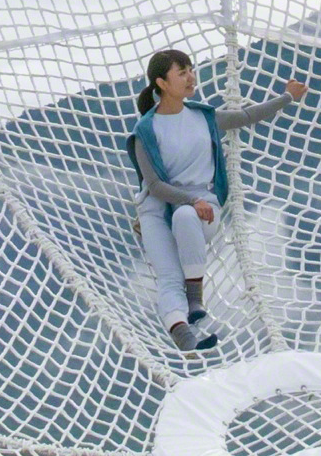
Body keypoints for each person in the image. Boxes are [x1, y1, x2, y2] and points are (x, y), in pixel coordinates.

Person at [123, 47, 306, 353]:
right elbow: (153, 185)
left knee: (184, 216)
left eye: (190, 69)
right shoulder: (145, 131)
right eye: (181, 73)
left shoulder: (202, 117)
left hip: (202, 211)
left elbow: (246, 116)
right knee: (168, 276)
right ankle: (183, 333)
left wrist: (287, 97)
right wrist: (190, 200)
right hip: (156, 209)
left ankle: (195, 299)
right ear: (162, 83)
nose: (190, 77)